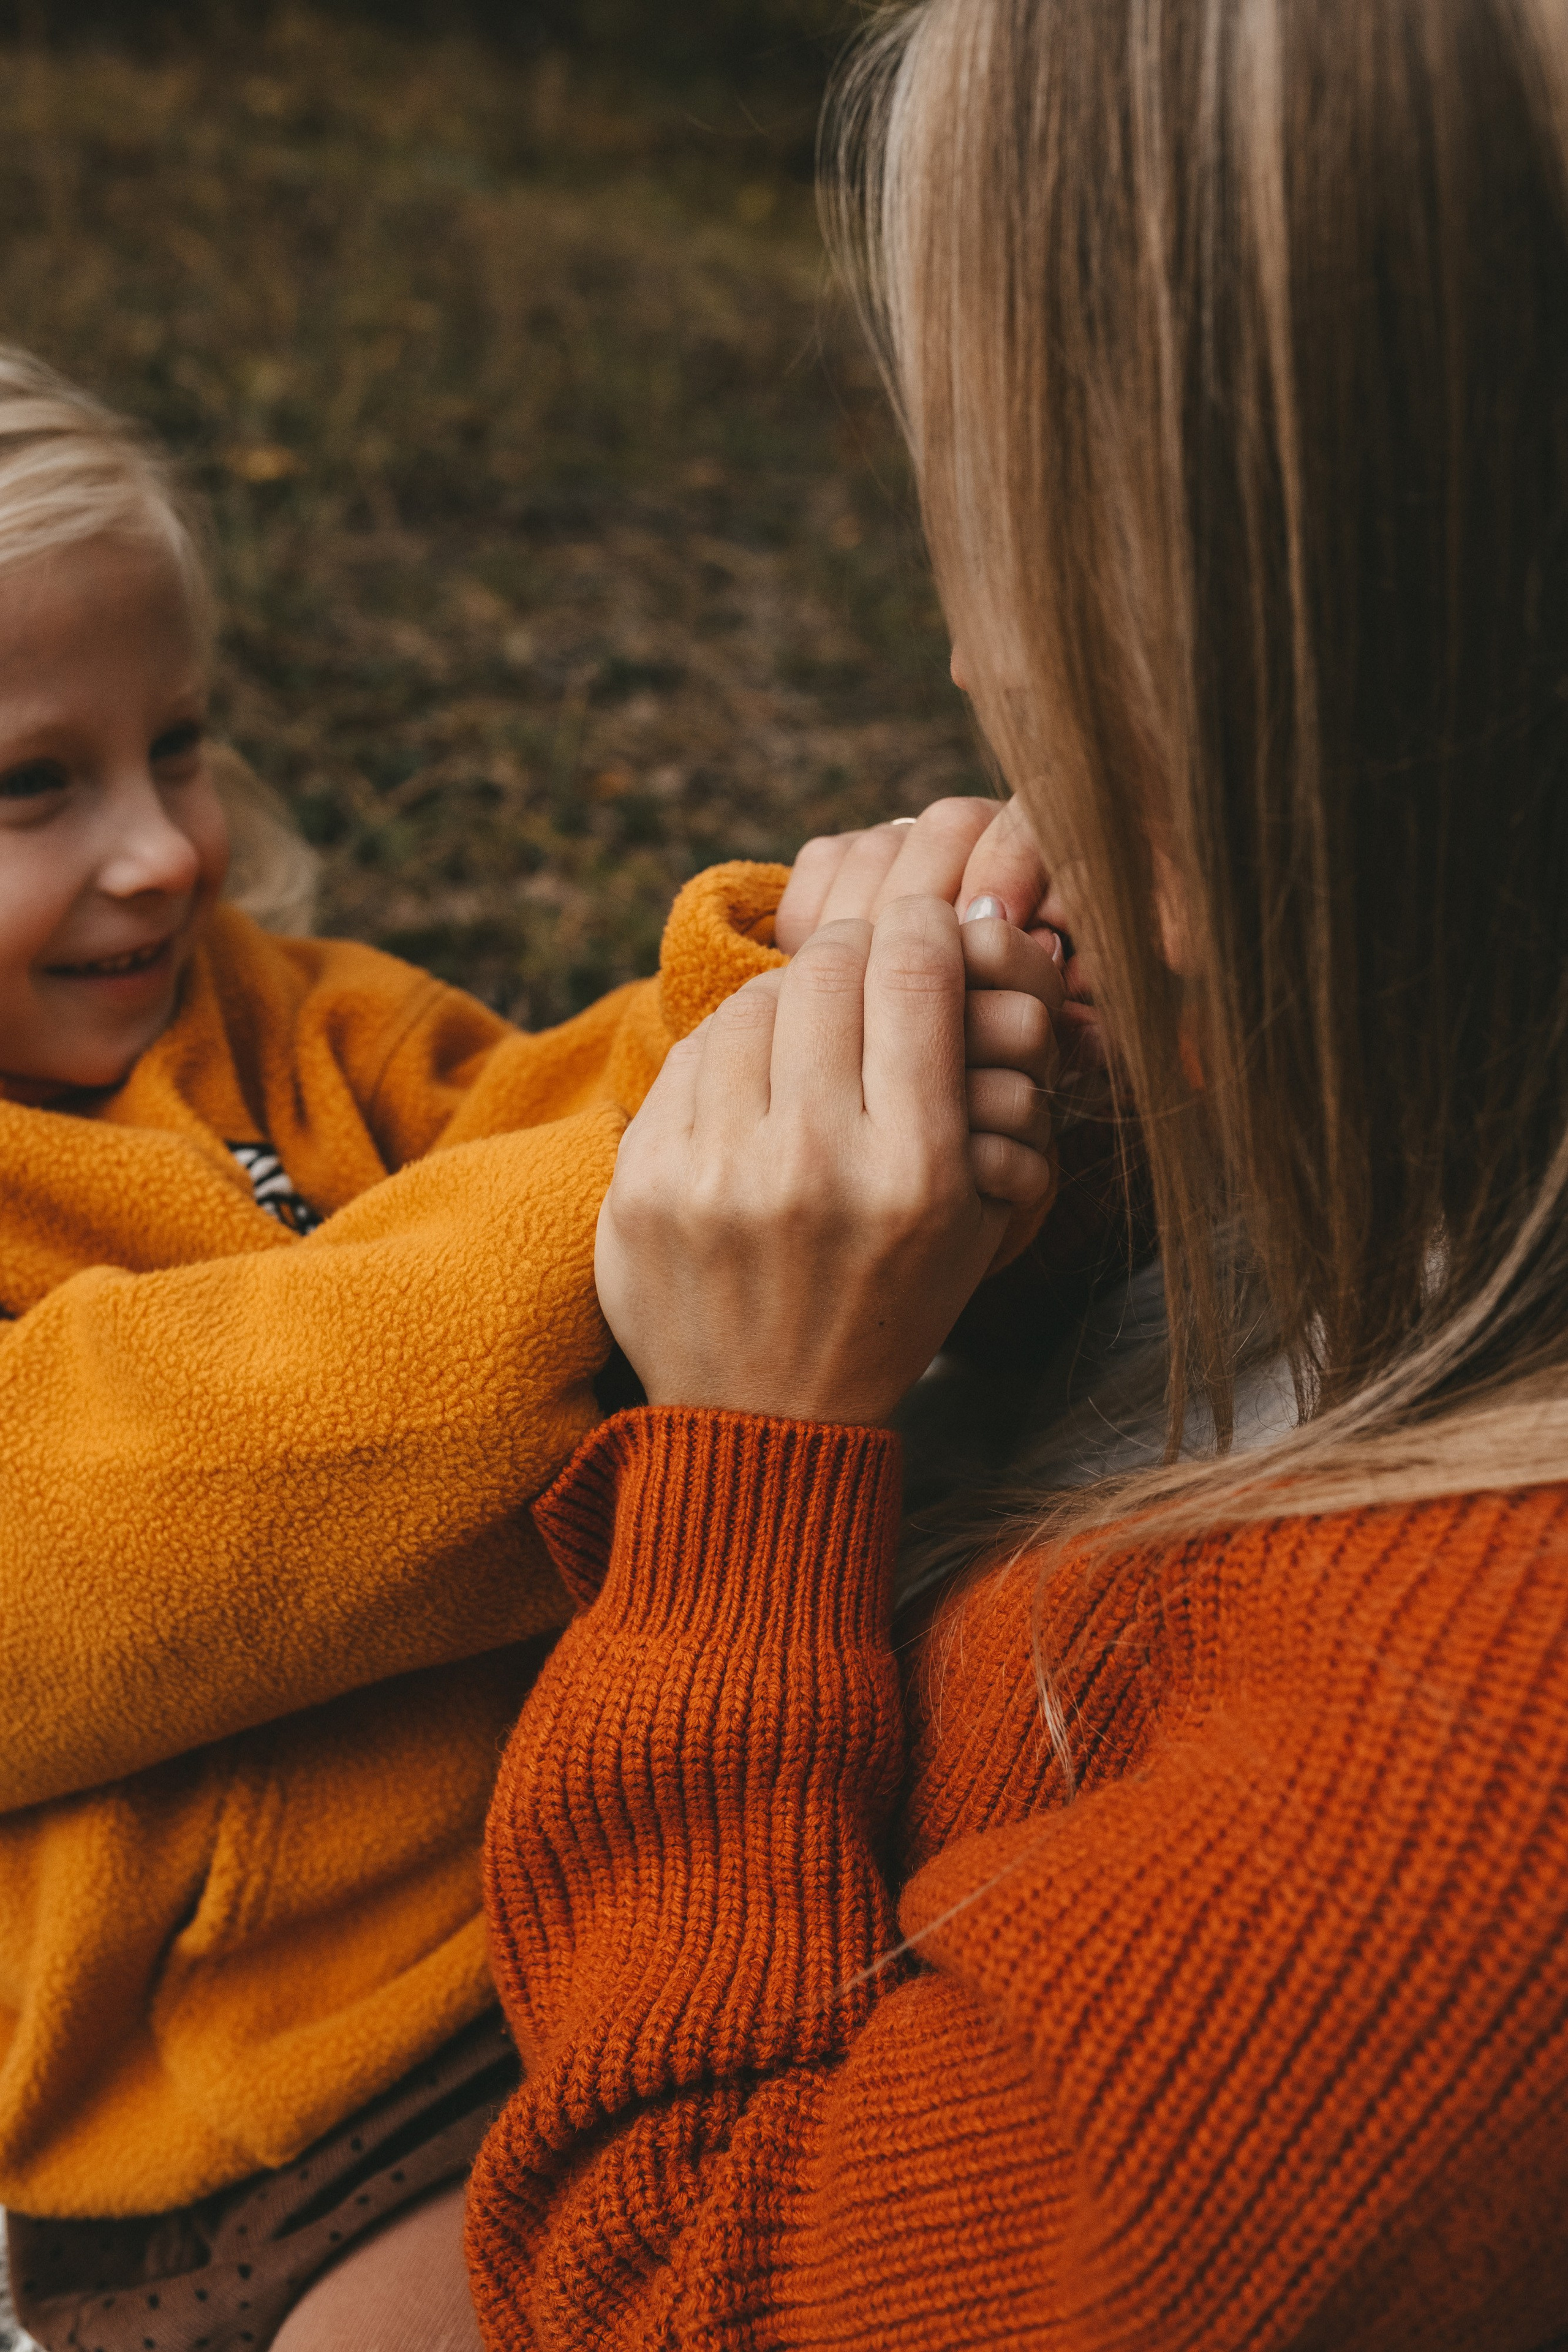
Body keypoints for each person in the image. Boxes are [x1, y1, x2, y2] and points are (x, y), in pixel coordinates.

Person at [466, 0, 1568, 2343]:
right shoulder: (1473, 1097)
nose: (975, 654)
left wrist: (743, 1476)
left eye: (1015, 530)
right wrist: (1111, 1162)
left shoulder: (1478, 1824)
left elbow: (698, 2294)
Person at [0, 342, 1065, 2349]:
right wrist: (693, 1187)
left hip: (614, 1881)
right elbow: (119, 1494)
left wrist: (798, 1019)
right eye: (32, 784)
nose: (161, 851)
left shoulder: (293, 1026)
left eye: (181, 744)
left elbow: (533, 1114)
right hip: (277, 2121)